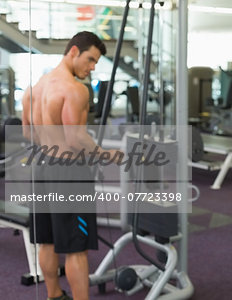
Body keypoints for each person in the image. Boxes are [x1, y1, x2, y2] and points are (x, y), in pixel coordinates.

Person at [21, 31, 120, 300]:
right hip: (69, 172)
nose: (92, 67)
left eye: (96, 63)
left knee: (47, 240)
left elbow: (28, 133)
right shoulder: (75, 90)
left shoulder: (33, 89)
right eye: (90, 59)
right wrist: (106, 154)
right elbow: (76, 138)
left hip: (40, 166)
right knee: (77, 248)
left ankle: (54, 295)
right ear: (74, 51)